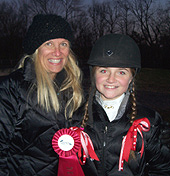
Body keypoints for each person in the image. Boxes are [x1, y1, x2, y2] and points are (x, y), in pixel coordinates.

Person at [73, 33, 170, 175]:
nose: (111, 79)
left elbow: (163, 168)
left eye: (121, 72)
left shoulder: (148, 122)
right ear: (93, 75)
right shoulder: (74, 115)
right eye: (104, 71)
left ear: (131, 78)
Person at [0, 14, 83, 176]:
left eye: (63, 44)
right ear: (36, 49)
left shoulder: (74, 90)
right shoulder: (10, 89)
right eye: (49, 43)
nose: (57, 52)